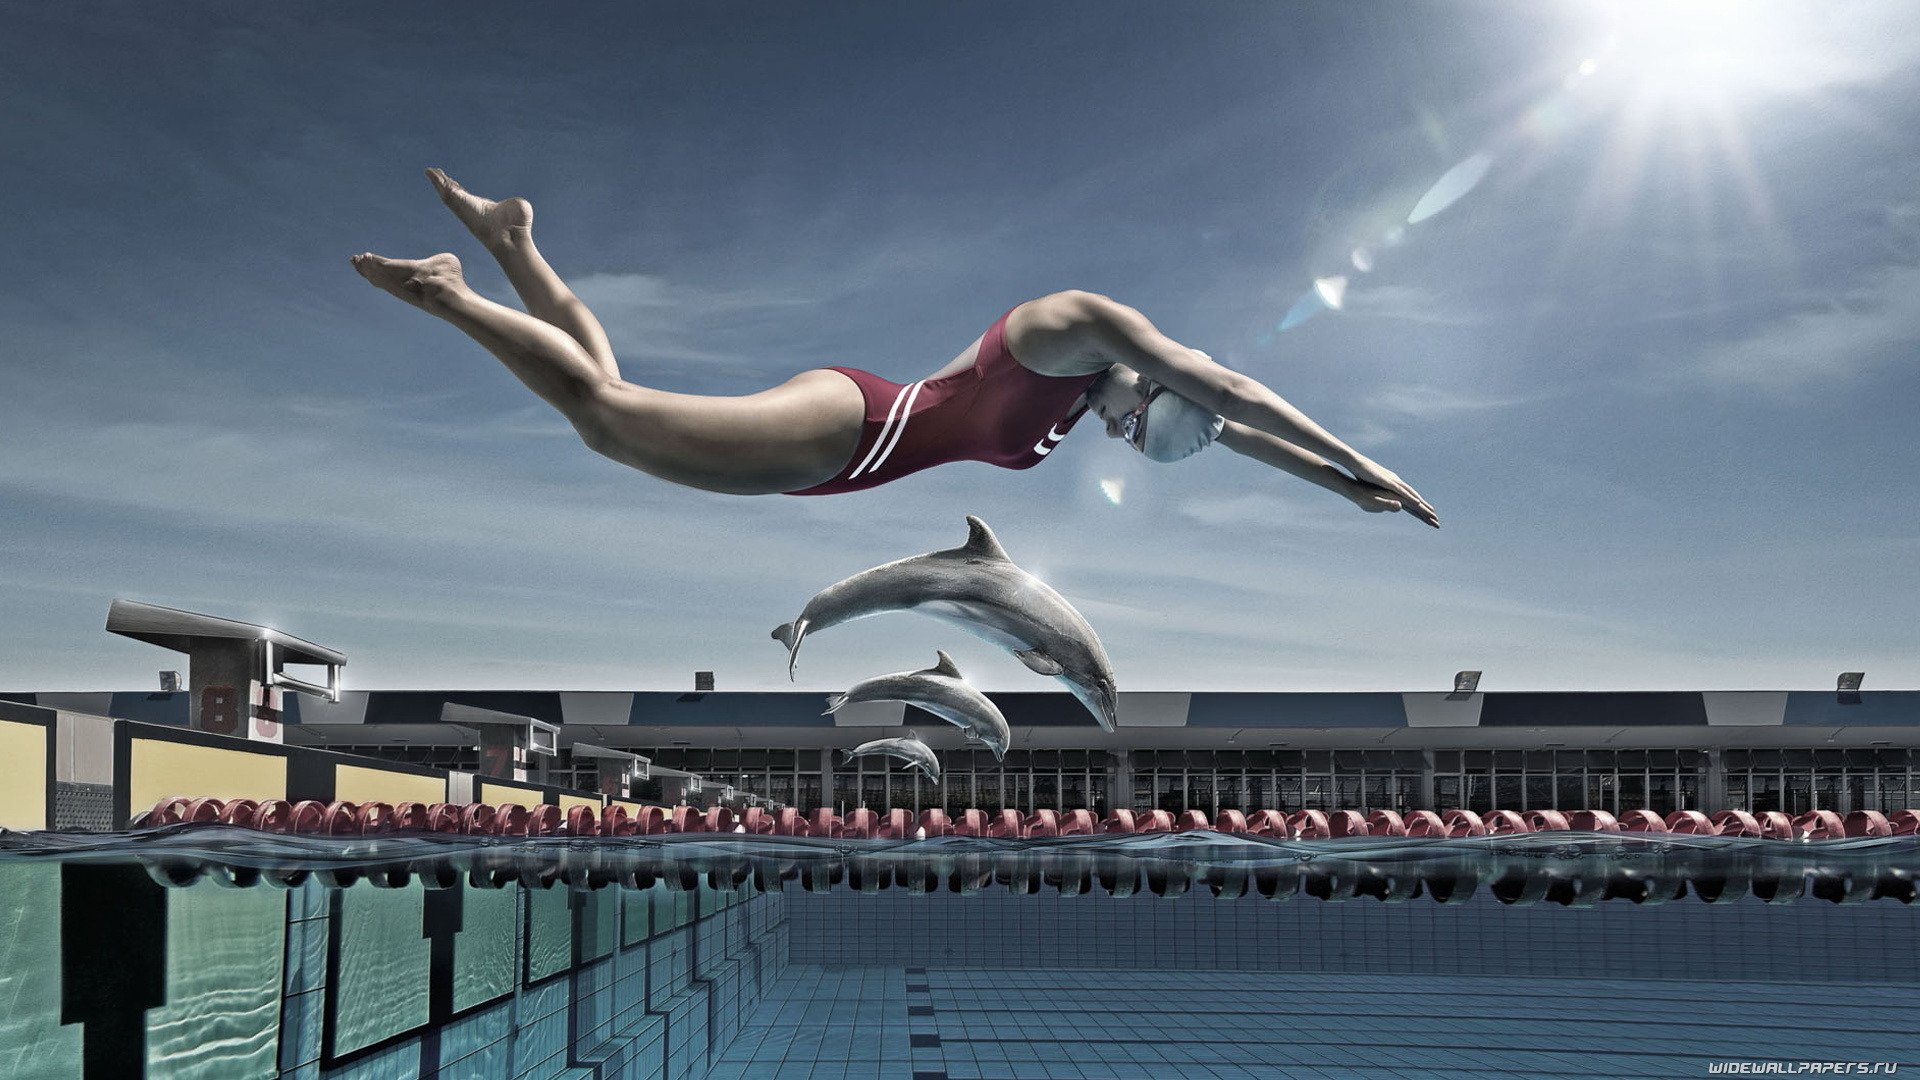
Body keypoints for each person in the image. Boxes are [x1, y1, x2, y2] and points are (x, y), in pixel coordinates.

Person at [351, 170, 1438, 525]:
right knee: (608, 424)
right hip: (852, 431)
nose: (1112, 433)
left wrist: (1342, 492)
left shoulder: (1098, 394)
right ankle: (451, 295)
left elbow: (1229, 431)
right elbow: (1234, 389)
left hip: (852, 436)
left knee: (615, 403)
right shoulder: (1077, 329)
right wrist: (1367, 454)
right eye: (1131, 424)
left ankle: (515, 246)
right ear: (1149, 386)